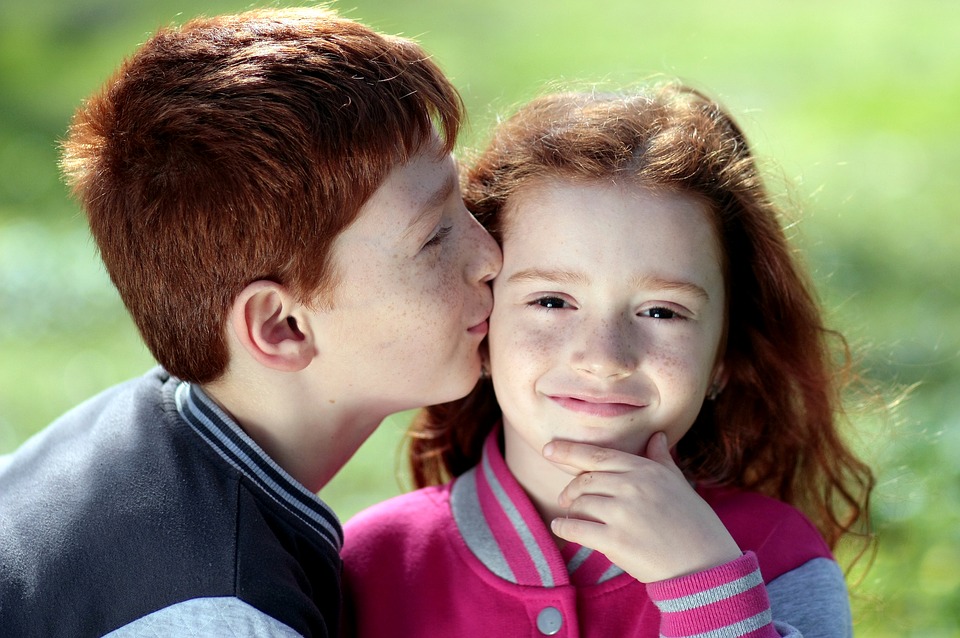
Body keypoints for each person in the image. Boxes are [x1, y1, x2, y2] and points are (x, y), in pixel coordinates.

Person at [0, 7, 500, 637]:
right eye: (434, 237)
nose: (489, 257)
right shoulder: (221, 616)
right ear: (282, 328)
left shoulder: (142, 429)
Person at [341, 84, 875, 637]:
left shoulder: (780, 556)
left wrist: (706, 591)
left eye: (662, 312)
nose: (603, 357)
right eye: (552, 301)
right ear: (482, 324)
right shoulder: (373, 560)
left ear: (725, 355)